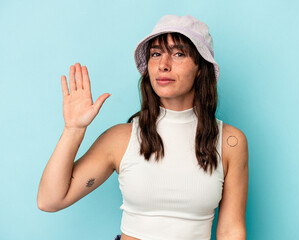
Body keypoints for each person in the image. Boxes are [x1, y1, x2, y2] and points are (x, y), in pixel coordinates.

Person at [37, 14, 249, 240]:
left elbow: (231, 230)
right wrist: (73, 129)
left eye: (178, 54)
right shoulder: (120, 139)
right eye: (156, 54)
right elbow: (49, 200)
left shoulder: (230, 142)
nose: (163, 65)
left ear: (200, 68)